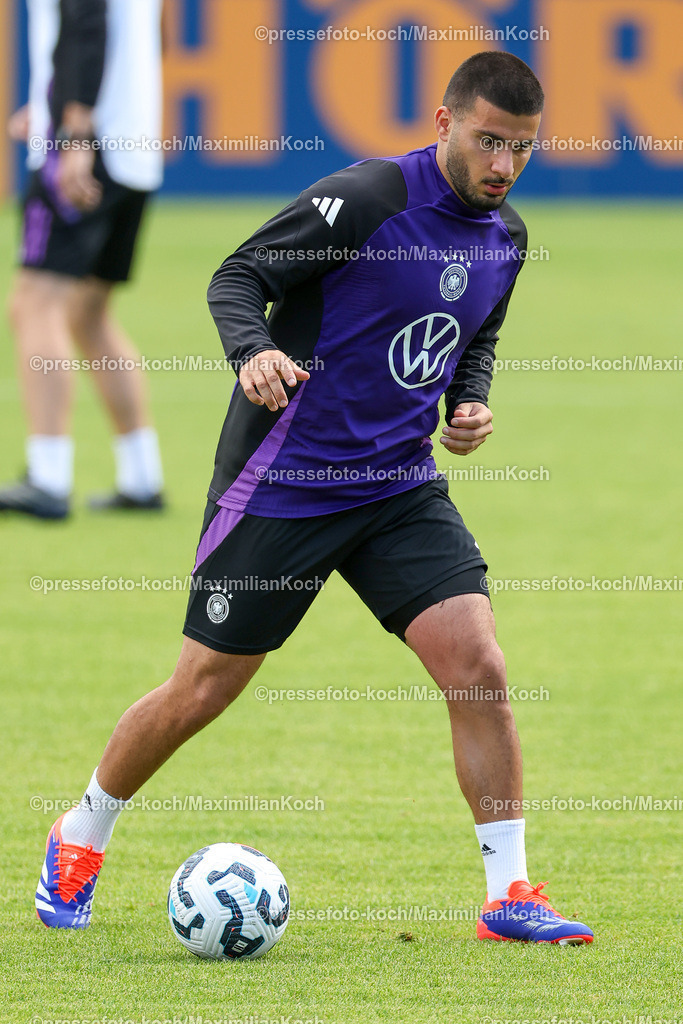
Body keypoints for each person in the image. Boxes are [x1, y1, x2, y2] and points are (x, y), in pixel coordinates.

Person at [35, 51, 594, 944]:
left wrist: (469, 398)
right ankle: (81, 831)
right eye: (489, 140)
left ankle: (509, 892)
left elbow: (474, 330)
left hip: (398, 488)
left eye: (521, 149)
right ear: (443, 119)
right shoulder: (367, 199)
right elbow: (238, 276)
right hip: (284, 484)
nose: (502, 165)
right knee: (202, 690)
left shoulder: (506, 237)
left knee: (477, 665)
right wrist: (251, 351)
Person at [0, 0, 165, 520]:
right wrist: (48, 105)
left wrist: (72, 131)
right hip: (135, 146)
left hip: (87, 149)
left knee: (34, 303)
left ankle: (48, 478)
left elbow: (86, 26)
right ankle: (141, 475)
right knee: (88, 313)